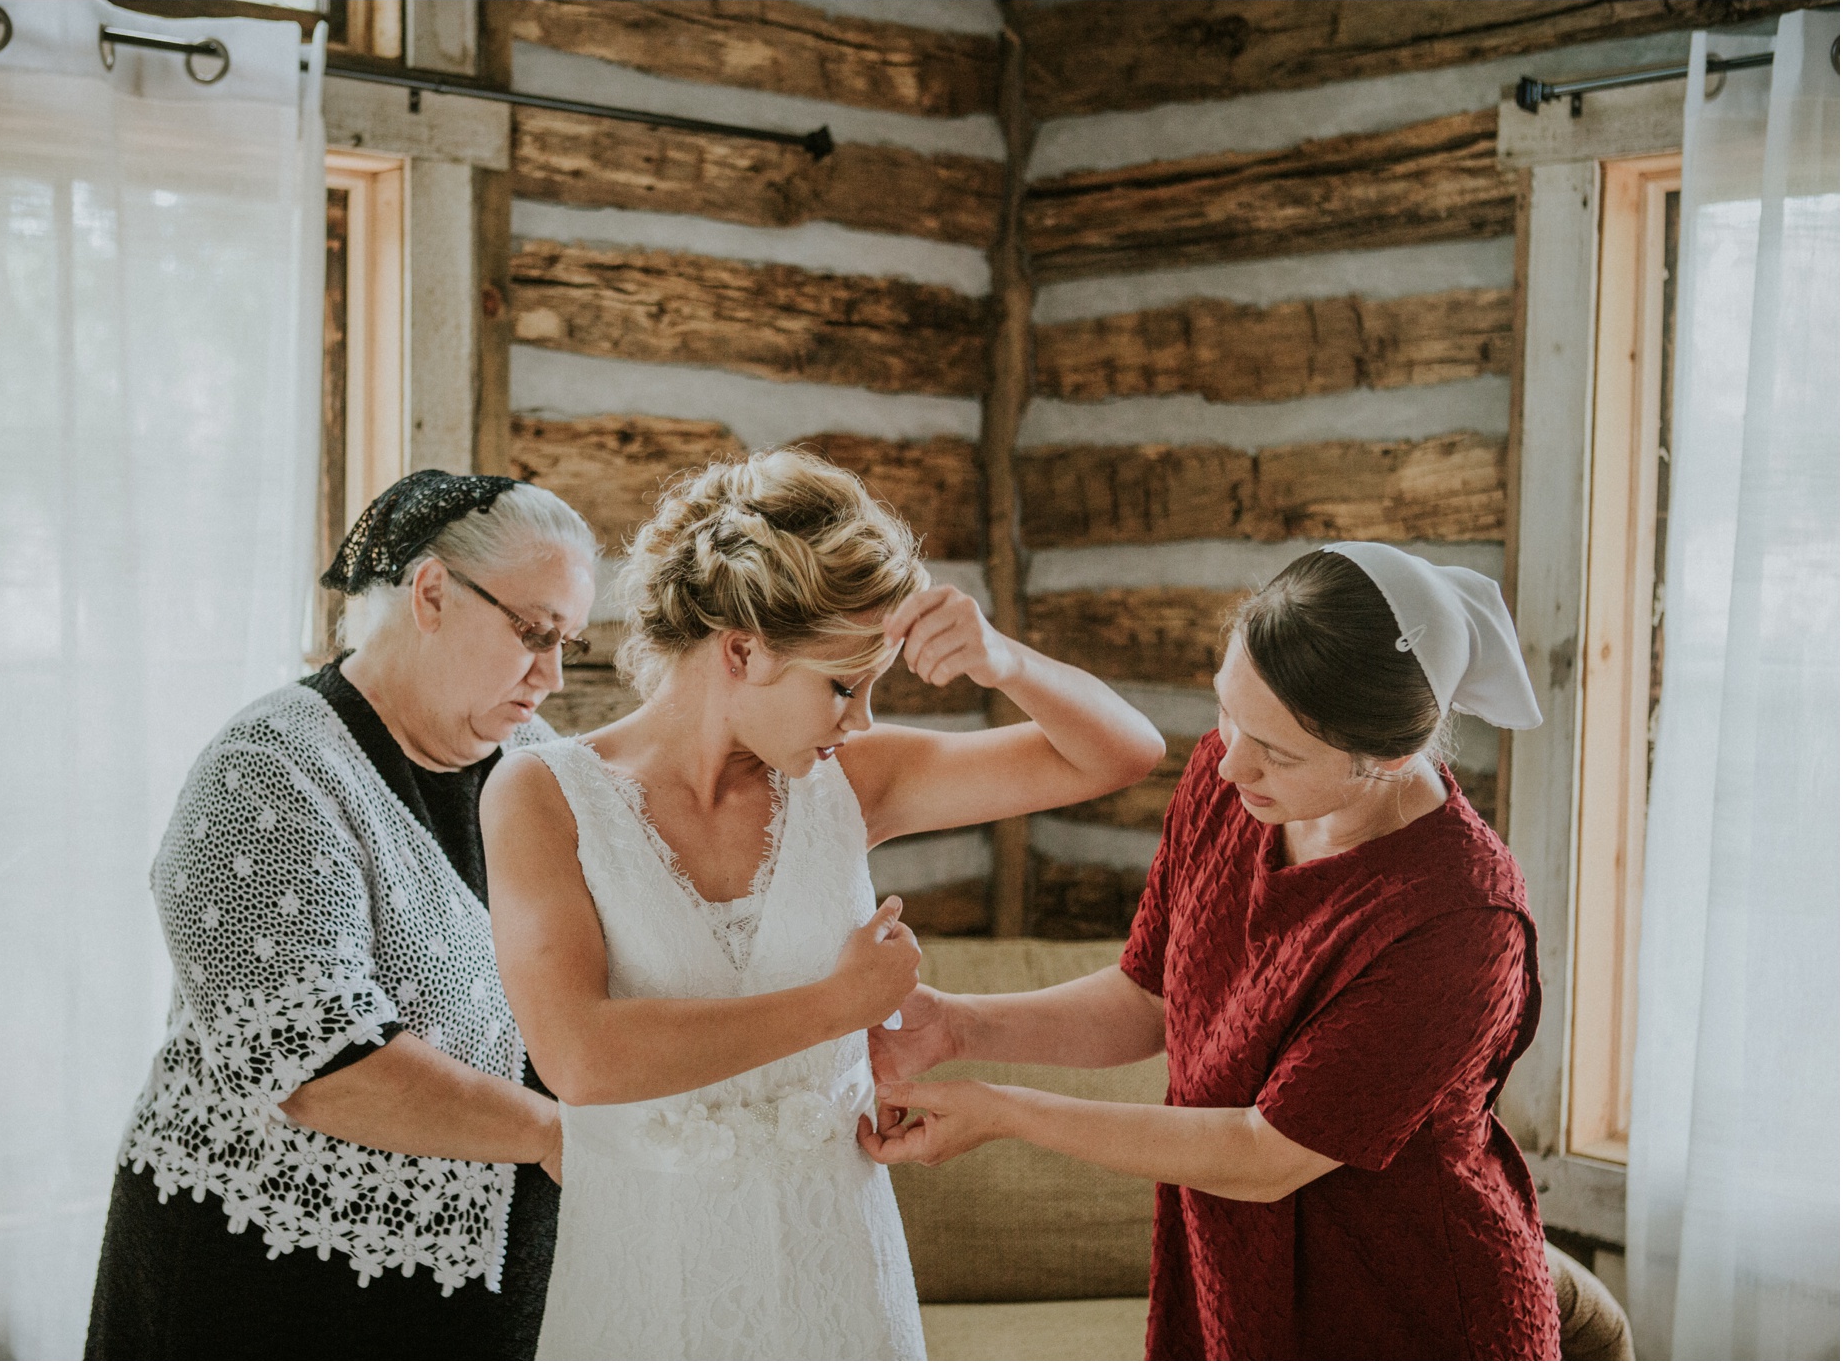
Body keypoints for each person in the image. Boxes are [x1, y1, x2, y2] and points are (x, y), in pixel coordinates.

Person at [480, 449, 1167, 1360]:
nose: (863, 720)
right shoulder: (540, 794)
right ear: (741, 650)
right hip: (648, 1281)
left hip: (837, 1272)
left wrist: (1005, 661)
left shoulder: (852, 781)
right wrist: (837, 1006)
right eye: (844, 686)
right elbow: (581, 1056)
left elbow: (1121, 753)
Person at [860, 543, 1564, 1361]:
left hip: (1403, 1307)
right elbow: (1151, 999)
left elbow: (1264, 1153)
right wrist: (956, 1026)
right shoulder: (1236, 784)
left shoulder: (1462, 920)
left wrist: (1009, 1111)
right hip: (1229, 1278)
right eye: (1229, 711)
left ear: (1389, 758)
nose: (1230, 760)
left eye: (1278, 749)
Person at [85, 472, 598, 1360]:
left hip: (471, 1282)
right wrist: (558, 1134)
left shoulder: (537, 763)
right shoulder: (268, 771)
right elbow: (323, 1064)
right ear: (432, 592)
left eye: (568, 644)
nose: (551, 675)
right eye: (534, 632)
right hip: (268, 1277)